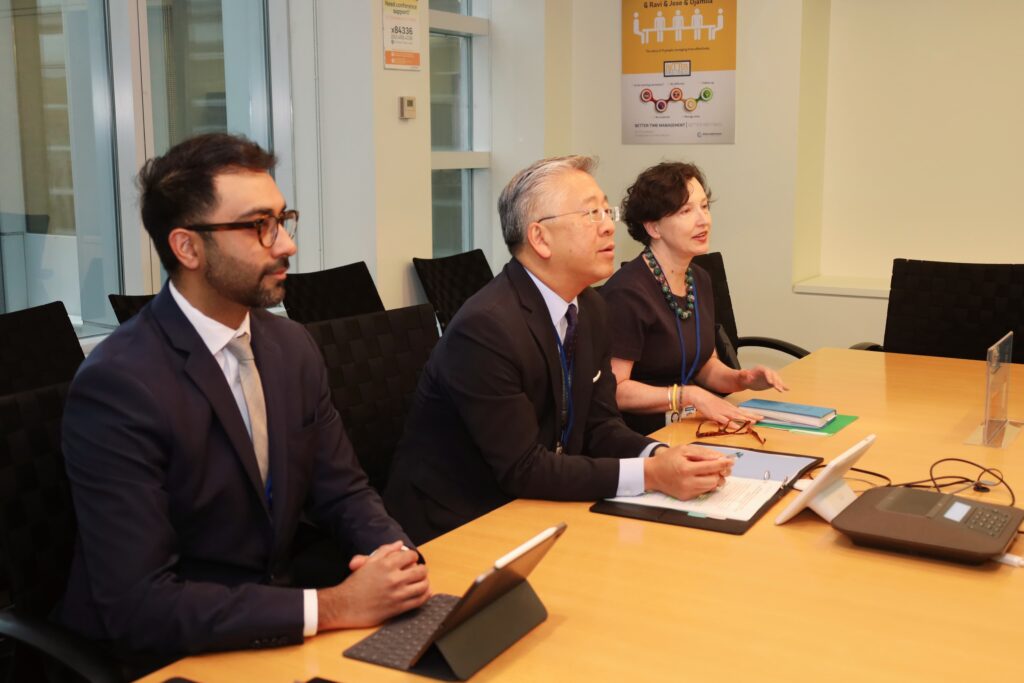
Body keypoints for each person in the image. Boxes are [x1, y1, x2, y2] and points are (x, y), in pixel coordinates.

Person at [56, 133, 429, 673]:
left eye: (283, 219)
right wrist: (332, 607)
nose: (286, 245)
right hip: (169, 653)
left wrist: (395, 559)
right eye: (259, 226)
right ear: (187, 247)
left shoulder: (290, 346)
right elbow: (140, 605)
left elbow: (342, 489)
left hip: (273, 620)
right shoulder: (119, 385)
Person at [384, 155, 733, 544]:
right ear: (540, 238)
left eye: (607, 210)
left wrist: (658, 455)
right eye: (590, 214)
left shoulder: (592, 307)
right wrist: (651, 474)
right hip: (458, 523)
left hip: (538, 505)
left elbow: (599, 426)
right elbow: (522, 468)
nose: (607, 227)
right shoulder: (487, 327)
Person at [601, 161, 786, 435]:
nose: (703, 220)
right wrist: (689, 396)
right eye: (686, 211)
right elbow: (615, 391)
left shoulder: (697, 278)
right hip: (644, 436)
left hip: (691, 423)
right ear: (654, 228)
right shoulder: (627, 292)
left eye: (704, 206)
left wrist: (741, 379)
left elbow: (704, 365)